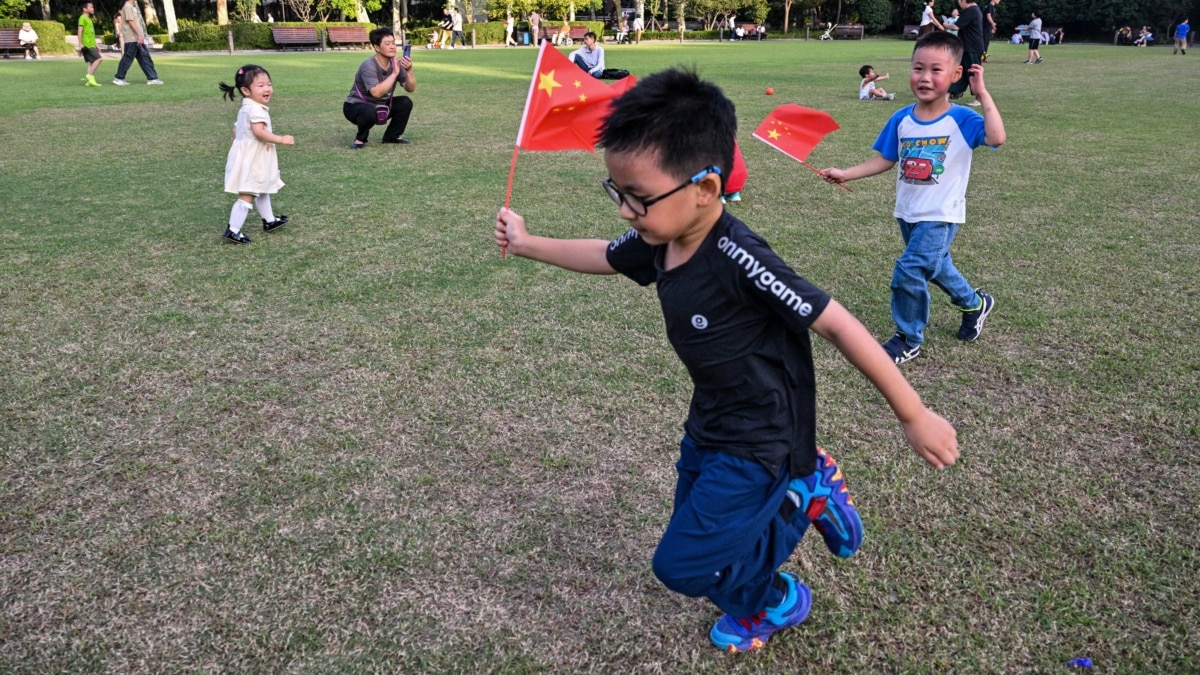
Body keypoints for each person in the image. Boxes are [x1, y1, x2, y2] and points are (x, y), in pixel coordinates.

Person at [494, 66, 960, 654]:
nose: (625, 212)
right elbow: (607, 255)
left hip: (764, 437)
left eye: (637, 197)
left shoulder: (741, 257)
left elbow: (838, 323)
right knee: (709, 542)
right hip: (711, 422)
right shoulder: (660, 237)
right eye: (617, 193)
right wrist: (530, 243)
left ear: (706, 190)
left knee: (683, 567)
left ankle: (797, 510)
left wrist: (913, 414)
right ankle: (771, 578)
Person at [819, 31, 1006, 365]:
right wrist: (845, 173)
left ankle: (908, 338)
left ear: (956, 75)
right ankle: (975, 304)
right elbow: (886, 159)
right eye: (918, 68)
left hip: (941, 214)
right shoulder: (902, 118)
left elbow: (997, 137)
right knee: (936, 268)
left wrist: (983, 94)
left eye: (936, 69)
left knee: (909, 270)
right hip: (908, 212)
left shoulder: (962, 118)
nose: (925, 77)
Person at [218, 65, 294, 244]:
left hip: (252, 155)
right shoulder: (255, 110)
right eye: (260, 85)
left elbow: (236, 130)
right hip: (254, 158)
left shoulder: (247, 107)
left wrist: (242, 147)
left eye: (269, 84)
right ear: (245, 90)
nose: (267, 88)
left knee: (262, 186)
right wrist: (281, 139)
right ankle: (233, 229)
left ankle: (269, 220)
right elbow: (259, 132)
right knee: (249, 192)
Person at [344, 27, 416, 150]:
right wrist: (394, 74)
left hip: (381, 105)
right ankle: (360, 139)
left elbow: (410, 88)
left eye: (393, 43)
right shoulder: (368, 65)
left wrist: (409, 70)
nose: (392, 46)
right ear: (377, 47)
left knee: (405, 102)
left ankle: (392, 136)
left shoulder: (396, 64)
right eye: (387, 44)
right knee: (368, 111)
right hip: (356, 106)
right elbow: (376, 93)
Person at [113, 0, 162, 85]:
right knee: (128, 58)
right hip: (132, 38)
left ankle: (153, 78)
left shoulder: (131, 6)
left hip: (136, 38)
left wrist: (140, 36)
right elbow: (130, 21)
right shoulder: (127, 6)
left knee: (145, 58)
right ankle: (119, 78)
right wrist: (139, 34)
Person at [948, 0, 983, 104]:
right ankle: (953, 91)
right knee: (961, 71)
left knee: (973, 72)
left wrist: (946, 24)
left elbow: (955, 26)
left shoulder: (971, 10)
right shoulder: (974, 10)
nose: (959, 3)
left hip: (972, 47)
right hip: (968, 46)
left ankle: (979, 97)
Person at [77, 3, 104, 86]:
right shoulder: (82, 18)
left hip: (91, 44)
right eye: (91, 7)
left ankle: (90, 82)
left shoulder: (89, 19)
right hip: (87, 44)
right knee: (99, 59)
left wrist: (96, 44)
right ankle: (89, 75)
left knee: (92, 62)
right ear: (84, 9)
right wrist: (80, 44)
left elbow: (91, 33)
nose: (93, 8)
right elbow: (79, 31)